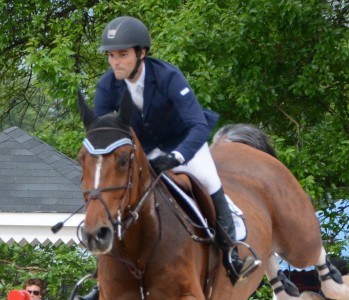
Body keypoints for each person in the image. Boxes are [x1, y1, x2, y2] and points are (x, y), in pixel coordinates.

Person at [77, 16, 260, 299]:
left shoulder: (167, 76)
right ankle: (103, 277)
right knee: (116, 203)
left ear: (142, 53)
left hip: (185, 143)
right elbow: (105, 134)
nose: (116, 62)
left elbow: (197, 124)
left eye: (122, 55)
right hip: (143, 151)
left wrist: (176, 156)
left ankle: (232, 253)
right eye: (112, 56)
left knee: (210, 184)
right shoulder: (107, 86)